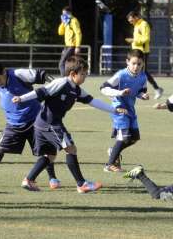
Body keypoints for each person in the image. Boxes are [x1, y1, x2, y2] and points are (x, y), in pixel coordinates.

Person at [12, 56, 127, 193]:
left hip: (44, 123)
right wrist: (21, 98)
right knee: (71, 148)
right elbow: (41, 91)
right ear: (73, 74)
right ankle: (81, 184)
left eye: (86, 74)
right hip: (50, 123)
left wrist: (114, 110)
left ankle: (28, 180)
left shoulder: (76, 89)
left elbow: (93, 101)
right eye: (83, 74)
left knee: (50, 156)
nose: (85, 77)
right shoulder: (61, 83)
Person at [0, 59, 61, 191]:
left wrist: (57, 85)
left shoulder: (18, 74)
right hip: (13, 124)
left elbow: (41, 74)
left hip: (35, 121)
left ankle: (52, 178)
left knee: (47, 150)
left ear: (4, 72)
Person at [100, 49, 148, 173]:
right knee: (123, 138)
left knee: (134, 138)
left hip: (131, 110)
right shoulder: (120, 75)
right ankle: (109, 164)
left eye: (139, 64)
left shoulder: (143, 77)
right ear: (127, 62)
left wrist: (142, 95)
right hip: (119, 109)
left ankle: (114, 151)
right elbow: (103, 88)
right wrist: (120, 92)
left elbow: (140, 91)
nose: (136, 66)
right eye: (133, 63)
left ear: (143, 63)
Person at [125, 11, 163, 99]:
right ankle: (137, 89)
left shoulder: (144, 24)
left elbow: (146, 38)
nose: (131, 22)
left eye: (131, 20)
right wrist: (133, 41)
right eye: (129, 21)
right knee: (134, 69)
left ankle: (156, 89)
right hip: (136, 51)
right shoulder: (136, 25)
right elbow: (139, 38)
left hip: (143, 52)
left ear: (136, 17)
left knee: (143, 72)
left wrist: (133, 41)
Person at [58, 6, 82, 76]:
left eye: (64, 14)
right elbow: (60, 32)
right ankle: (70, 78)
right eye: (62, 14)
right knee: (68, 64)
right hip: (67, 46)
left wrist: (77, 46)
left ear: (69, 13)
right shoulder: (66, 22)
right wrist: (63, 23)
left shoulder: (74, 21)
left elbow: (78, 33)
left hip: (72, 46)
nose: (63, 15)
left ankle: (64, 79)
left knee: (61, 63)